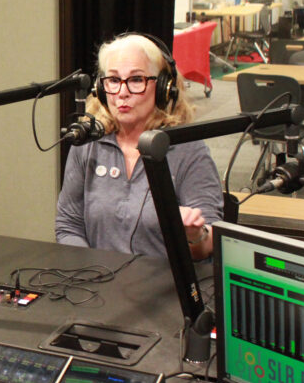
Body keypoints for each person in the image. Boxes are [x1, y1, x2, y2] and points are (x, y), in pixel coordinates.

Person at [56, 33, 223, 260]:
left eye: (136, 80)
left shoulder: (188, 150)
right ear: (101, 88)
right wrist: (90, 273)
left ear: (164, 88)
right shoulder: (88, 142)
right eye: (114, 80)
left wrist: (194, 236)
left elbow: (209, 245)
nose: (122, 92)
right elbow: (68, 225)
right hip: (97, 279)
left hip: (164, 281)